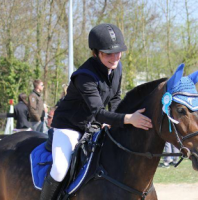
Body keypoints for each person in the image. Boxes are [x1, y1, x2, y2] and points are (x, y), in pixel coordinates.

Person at [40, 23, 153, 200]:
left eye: (119, 52)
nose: (115, 57)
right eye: (109, 53)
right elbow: (98, 112)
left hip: (93, 126)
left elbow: (115, 98)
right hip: (68, 127)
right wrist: (129, 118)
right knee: (60, 169)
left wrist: (118, 120)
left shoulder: (117, 67)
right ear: (96, 52)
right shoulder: (84, 76)